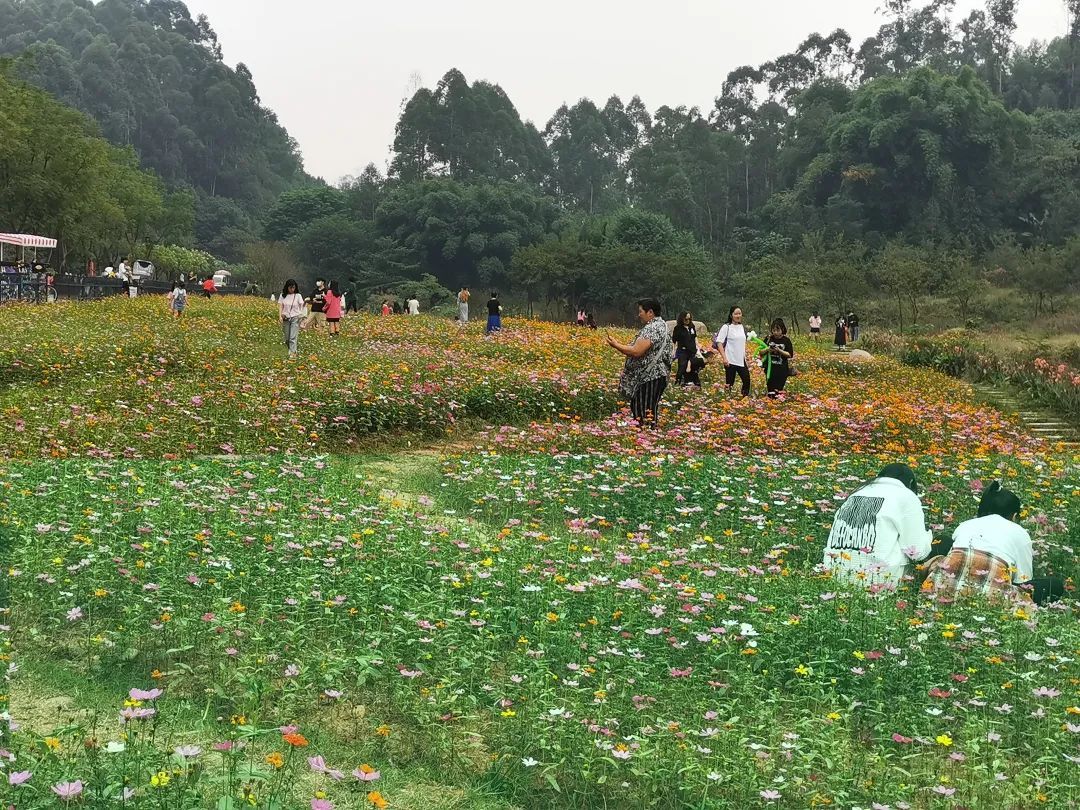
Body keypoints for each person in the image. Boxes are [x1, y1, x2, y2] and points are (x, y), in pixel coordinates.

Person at [923, 483, 1066, 606]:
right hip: (993, 598)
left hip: (942, 588)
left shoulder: (965, 525)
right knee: (1055, 585)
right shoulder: (1020, 532)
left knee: (943, 541)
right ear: (1014, 516)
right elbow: (1024, 581)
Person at [822, 464, 939, 587]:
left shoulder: (856, 493)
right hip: (878, 580)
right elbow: (916, 552)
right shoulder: (906, 496)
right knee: (941, 543)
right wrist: (928, 537)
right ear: (910, 483)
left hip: (834, 574)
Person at [607, 299, 673, 429]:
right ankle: (647, 434)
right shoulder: (662, 326)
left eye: (640, 311)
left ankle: (644, 436)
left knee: (643, 409)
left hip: (649, 377)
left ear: (650, 312)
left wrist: (616, 345)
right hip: (657, 376)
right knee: (648, 409)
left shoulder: (653, 328)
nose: (639, 315)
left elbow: (637, 351)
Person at [715, 306, 751, 397]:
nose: (738, 315)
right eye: (736, 314)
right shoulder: (726, 327)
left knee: (746, 380)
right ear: (731, 315)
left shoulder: (741, 327)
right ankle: (727, 400)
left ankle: (744, 398)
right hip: (730, 359)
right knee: (730, 382)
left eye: (739, 313)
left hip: (741, 359)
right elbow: (719, 342)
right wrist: (724, 358)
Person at [760, 318, 794, 398]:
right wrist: (768, 349)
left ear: (782, 329)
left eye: (778, 330)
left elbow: (789, 354)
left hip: (782, 370)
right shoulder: (769, 339)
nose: (775, 332)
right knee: (771, 392)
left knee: (778, 392)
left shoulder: (786, 340)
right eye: (774, 330)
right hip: (770, 369)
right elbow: (760, 352)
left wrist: (779, 350)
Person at [672, 311, 701, 387]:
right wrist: (673, 351)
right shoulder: (677, 328)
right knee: (682, 366)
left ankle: (693, 382)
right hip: (682, 350)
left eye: (689, 319)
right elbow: (674, 341)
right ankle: (679, 382)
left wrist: (698, 347)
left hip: (692, 350)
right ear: (682, 319)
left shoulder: (692, 326)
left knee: (693, 367)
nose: (687, 321)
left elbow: (694, 337)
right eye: (686, 319)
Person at [279, 279, 306, 359]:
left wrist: (303, 317)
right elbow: (280, 306)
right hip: (286, 318)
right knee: (287, 338)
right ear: (287, 287)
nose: (292, 289)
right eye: (290, 288)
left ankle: (293, 353)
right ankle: (291, 350)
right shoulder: (282, 295)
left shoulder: (298, 296)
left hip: (295, 318)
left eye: (293, 288)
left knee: (292, 337)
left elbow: (302, 306)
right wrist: (280, 316)